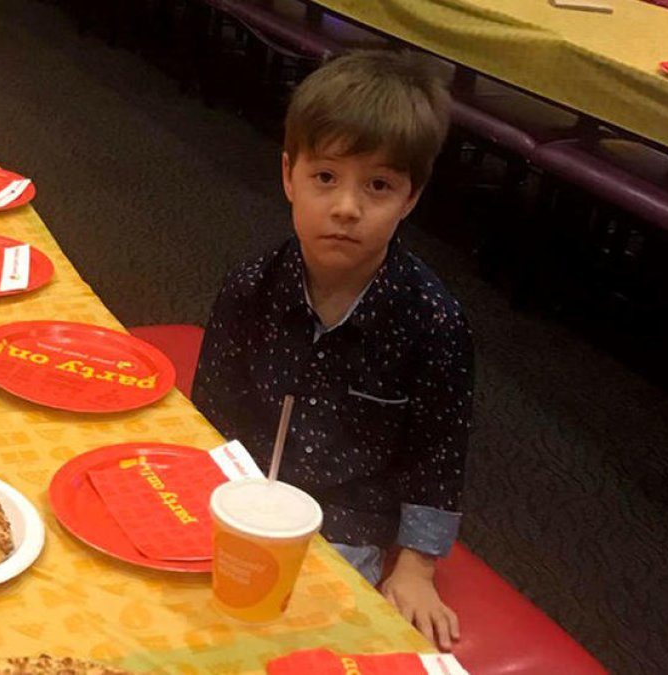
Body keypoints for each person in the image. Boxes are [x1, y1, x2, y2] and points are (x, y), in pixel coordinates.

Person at [192, 50, 472, 651]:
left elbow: (438, 453)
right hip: (244, 494)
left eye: (378, 185)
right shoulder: (251, 284)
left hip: (348, 521)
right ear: (289, 175)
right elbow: (210, 407)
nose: (347, 207)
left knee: (291, 640)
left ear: (410, 197)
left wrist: (418, 567)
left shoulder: (434, 319)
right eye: (326, 178)